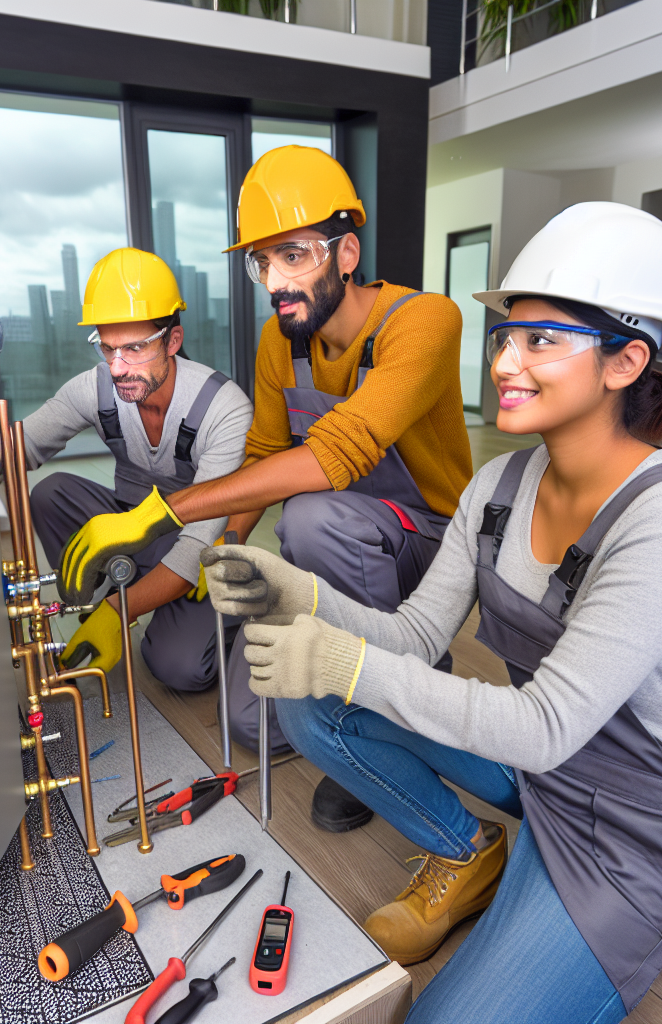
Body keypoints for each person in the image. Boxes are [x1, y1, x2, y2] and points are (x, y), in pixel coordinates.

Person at [202, 202, 662, 1023]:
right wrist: (296, 591)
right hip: (547, 774)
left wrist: (342, 658)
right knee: (313, 703)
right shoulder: (499, 488)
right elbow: (414, 636)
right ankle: (471, 852)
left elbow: (544, 723)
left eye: (542, 340)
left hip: (630, 820)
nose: (505, 363)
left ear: (628, 361)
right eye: (506, 337)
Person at [55, 146, 472, 833]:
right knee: (250, 721)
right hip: (347, 542)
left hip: (426, 550)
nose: (277, 280)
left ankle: (392, 705)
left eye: (295, 255)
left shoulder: (425, 322)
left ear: (346, 253)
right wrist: (222, 545)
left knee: (310, 520)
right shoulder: (283, 342)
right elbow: (264, 456)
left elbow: (339, 453)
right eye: (263, 262)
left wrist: (162, 513)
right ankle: (385, 665)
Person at [22, 247, 254, 688]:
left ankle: (211, 620)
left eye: (134, 348)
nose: (118, 367)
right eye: (107, 349)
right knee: (50, 492)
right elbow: (20, 447)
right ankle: (102, 602)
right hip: (126, 528)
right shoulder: (96, 387)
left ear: (172, 341)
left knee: (180, 669)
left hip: (195, 544)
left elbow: (192, 552)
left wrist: (119, 612)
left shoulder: (223, 409)